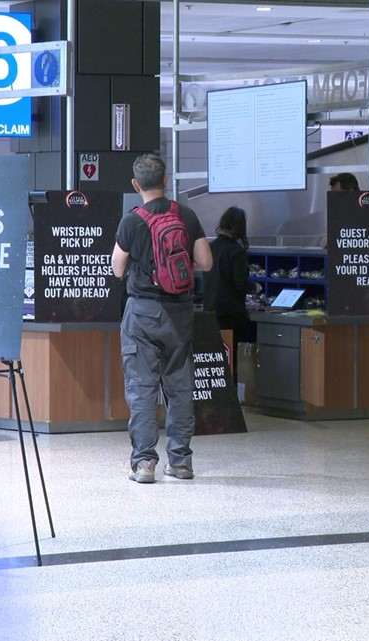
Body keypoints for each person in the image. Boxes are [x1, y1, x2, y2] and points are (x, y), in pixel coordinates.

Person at [111, 153, 212, 483]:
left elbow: (117, 268)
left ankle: (144, 464)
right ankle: (181, 462)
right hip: (180, 312)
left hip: (142, 312)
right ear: (166, 180)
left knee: (142, 390)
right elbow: (206, 262)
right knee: (180, 388)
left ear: (135, 184)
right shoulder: (186, 214)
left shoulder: (131, 221)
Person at [204, 206, 256, 377]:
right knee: (230, 359)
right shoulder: (236, 251)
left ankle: (217, 400)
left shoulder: (210, 247)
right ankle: (233, 397)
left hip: (210, 312)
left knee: (215, 360)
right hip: (231, 314)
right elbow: (240, 283)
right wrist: (255, 288)